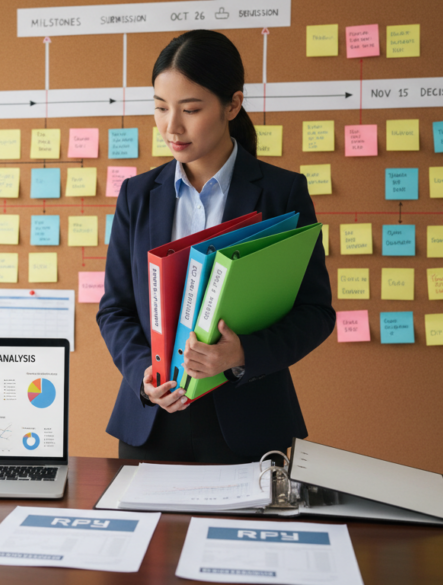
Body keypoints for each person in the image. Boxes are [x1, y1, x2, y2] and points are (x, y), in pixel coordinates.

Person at [97, 30, 335, 464]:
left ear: (232, 104)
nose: (172, 126)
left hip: (250, 423)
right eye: (160, 107)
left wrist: (242, 353)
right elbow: (115, 308)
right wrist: (142, 375)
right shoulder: (137, 194)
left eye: (190, 109)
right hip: (151, 421)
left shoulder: (282, 192)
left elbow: (316, 313)